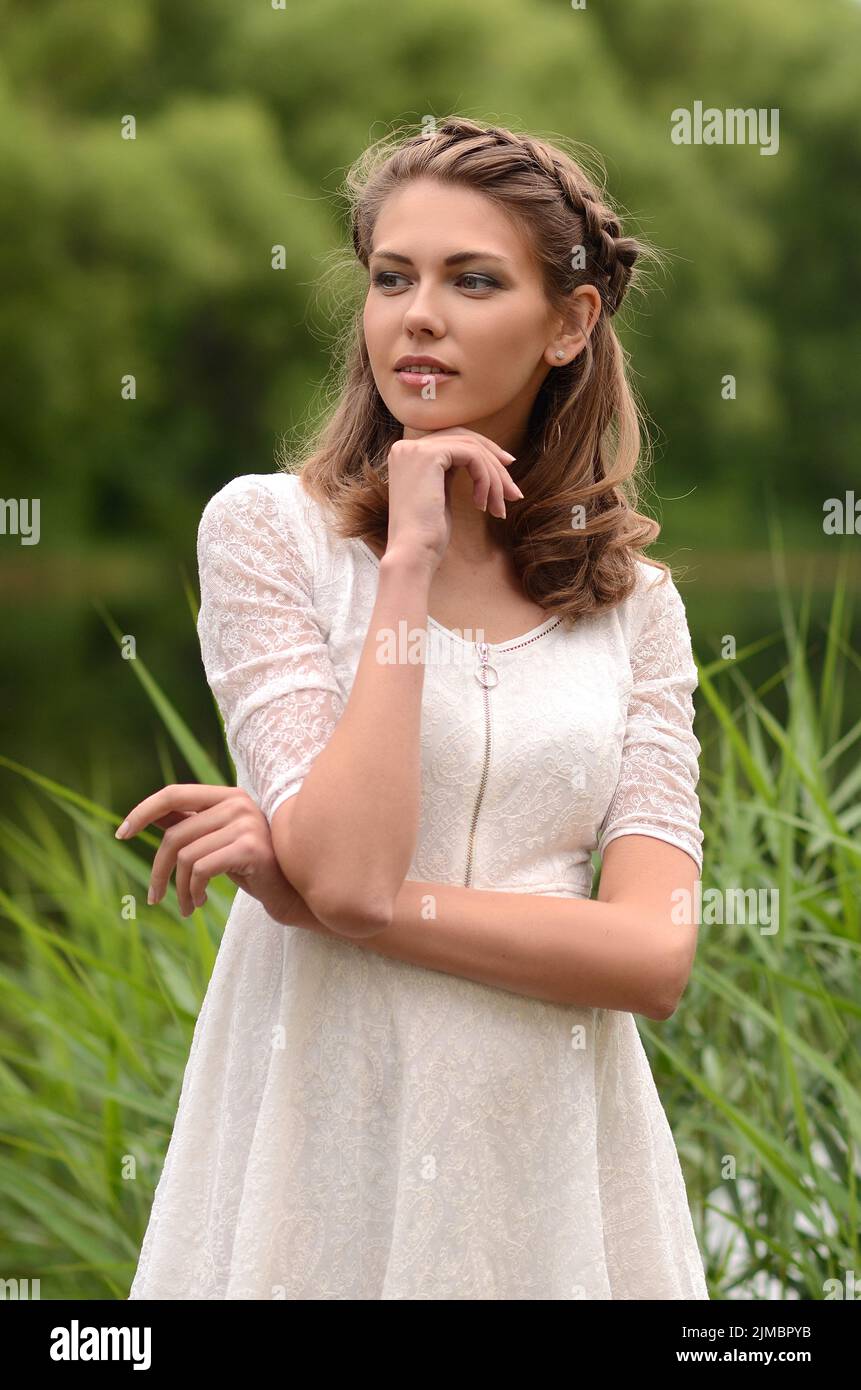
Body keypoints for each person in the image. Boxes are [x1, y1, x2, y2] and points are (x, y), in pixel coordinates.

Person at [124, 117, 708, 1299]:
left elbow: (652, 953)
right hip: (321, 1126)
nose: (417, 314)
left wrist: (336, 899)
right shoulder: (266, 535)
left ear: (569, 325)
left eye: (472, 280)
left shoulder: (637, 607)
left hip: (548, 1154)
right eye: (393, 277)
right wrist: (409, 554)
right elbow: (350, 864)